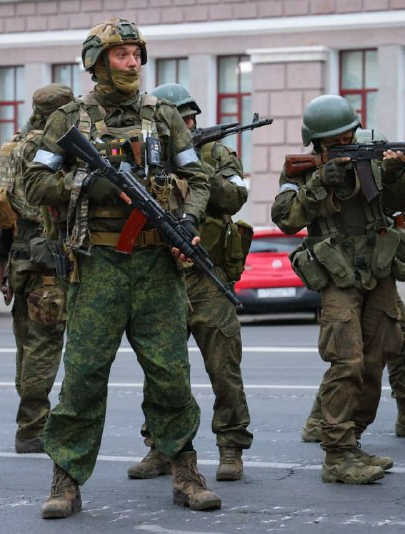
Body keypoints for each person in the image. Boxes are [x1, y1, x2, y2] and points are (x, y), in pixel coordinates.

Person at [22, 18, 220, 518]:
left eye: (136, 54)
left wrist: (189, 220)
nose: (131, 63)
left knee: (170, 374)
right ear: (97, 63)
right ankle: (66, 479)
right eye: (121, 54)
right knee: (83, 376)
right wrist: (87, 185)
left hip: (156, 265)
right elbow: (33, 183)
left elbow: (197, 177)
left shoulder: (164, 116)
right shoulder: (68, 120)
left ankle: (185, 472)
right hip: (98, 266)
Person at [271, 95, 405, 484]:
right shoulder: (300, 171)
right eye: (334, 141)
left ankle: (352, 440)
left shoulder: (375, 159)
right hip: (338, 275)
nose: (344, 143)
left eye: (348, 136)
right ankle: (336, 455)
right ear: (317, 143)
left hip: (378, 269)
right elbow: (285, 219)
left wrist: (396, 174)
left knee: (377, 358)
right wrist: (320, 183)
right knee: (347, 361)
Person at [126, 83, 252, 482]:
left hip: (208, 276)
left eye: (190, 119)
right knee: (162, 371)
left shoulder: (216, 155)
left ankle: (231, 446)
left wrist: (196, 167)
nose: (187, 125)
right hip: (162, 275)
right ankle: (161, 446)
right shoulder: (146, 156)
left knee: (224, 367)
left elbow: (234, 199)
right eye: (179, 121)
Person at [300, 129, 405, 442]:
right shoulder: (353, 181)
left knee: (389, 345)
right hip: (354, 274)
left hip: (379, 272)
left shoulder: (382, 180)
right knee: (350, 355)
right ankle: (324, 424)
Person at [0, 84, 74, 454]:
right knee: (44, 343)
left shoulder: (14, 144)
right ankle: (32, 428)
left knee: (26, 344)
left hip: (20, 256)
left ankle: (30, 422)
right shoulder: (54, 148)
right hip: (48, 256)